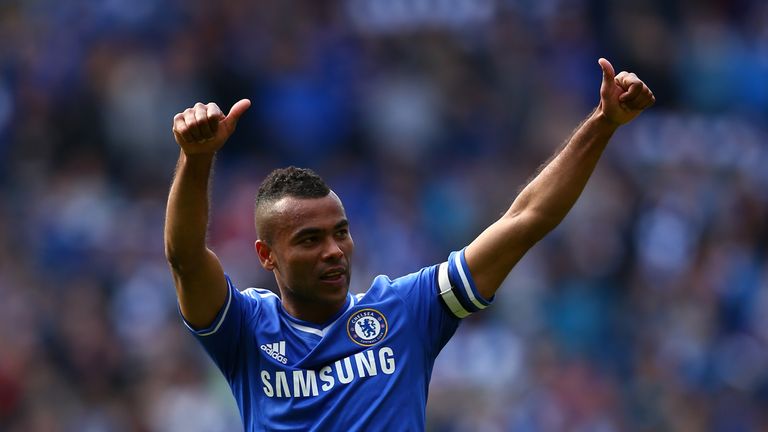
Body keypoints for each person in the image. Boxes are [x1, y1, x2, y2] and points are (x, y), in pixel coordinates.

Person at [164, 58, 654, 431]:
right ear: (266, 255)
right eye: (309, 240)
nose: (334, 250)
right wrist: (197, 160)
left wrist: (602, 123)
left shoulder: (406, 309)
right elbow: (186, 259)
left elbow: (526, 219)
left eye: (341, 232)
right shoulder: (246, 330)